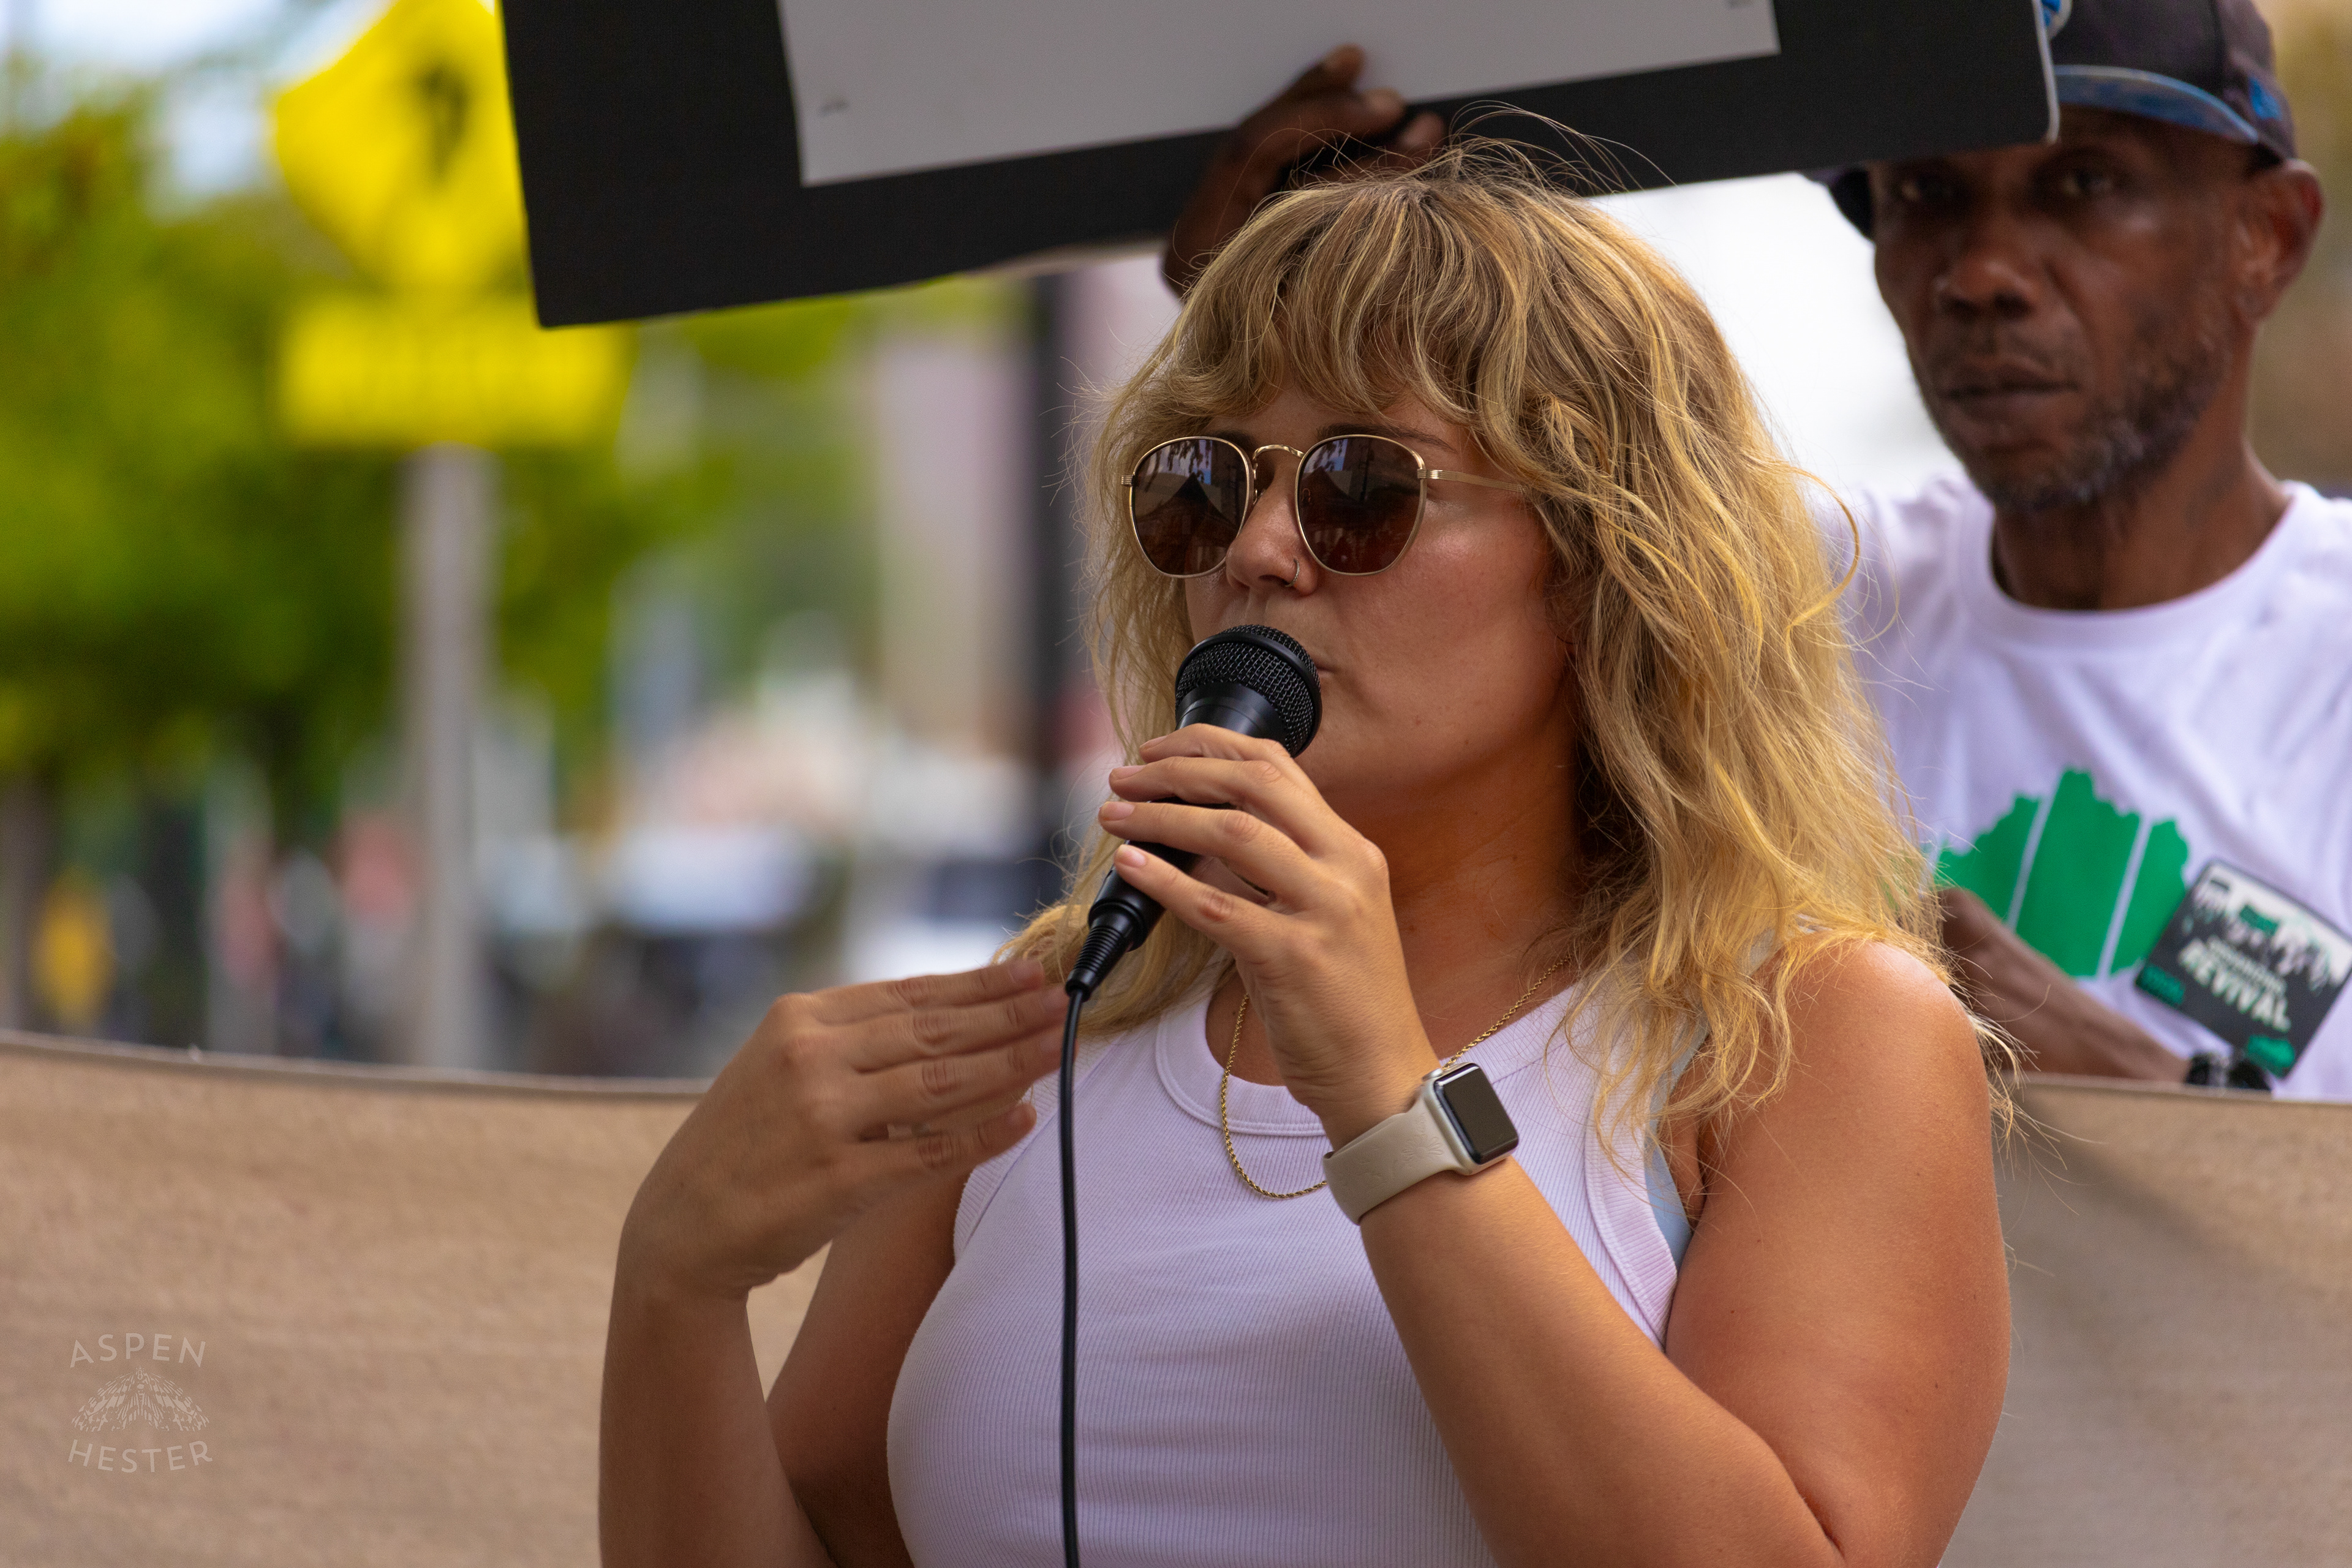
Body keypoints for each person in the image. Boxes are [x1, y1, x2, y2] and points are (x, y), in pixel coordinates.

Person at [602, 142, 2008, 1566]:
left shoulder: (1807, 1036)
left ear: (1601, 569)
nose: (1262, 551)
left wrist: (1389, 1097)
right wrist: (676, 1281)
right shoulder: (1054, 1009)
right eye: (1204, 483)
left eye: (1360, 485)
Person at [1165, 0, 2352, 1099]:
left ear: (2269, 235)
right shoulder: (1784, 597)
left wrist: (2149, 1099)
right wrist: (1267, 292)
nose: (1985, 273)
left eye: (2086, 183)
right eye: (1929, 194)